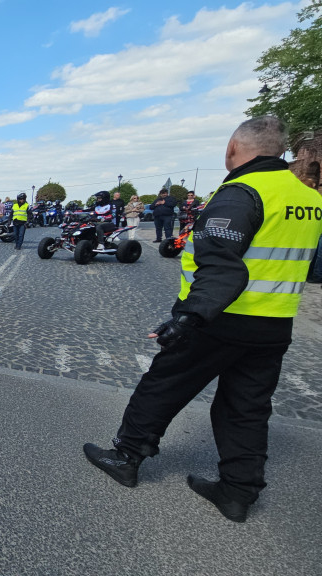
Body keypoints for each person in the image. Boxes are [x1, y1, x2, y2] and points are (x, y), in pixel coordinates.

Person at [83, 116, 322, 523]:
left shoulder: (242, 192)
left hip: (219, 319)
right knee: (246, 408)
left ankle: (126, 456)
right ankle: (237, 492)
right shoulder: (308, 198)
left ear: (233, 148)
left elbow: (221, 264)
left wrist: (188, 318)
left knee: (162, 386)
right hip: (275, 322)